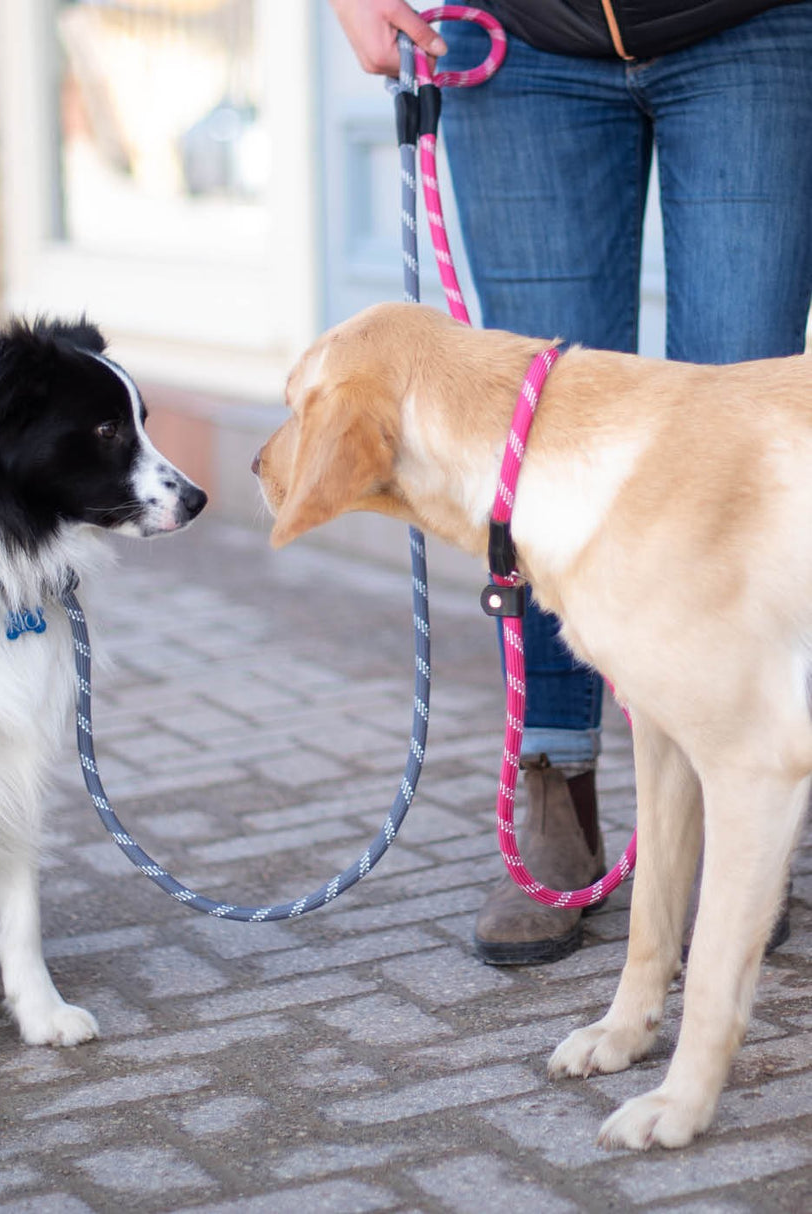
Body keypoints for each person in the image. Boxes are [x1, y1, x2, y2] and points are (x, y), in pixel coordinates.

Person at [330, 0, 812, 963]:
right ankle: (555, 767)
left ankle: (747, 790)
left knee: (739, 456)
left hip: (749, 26)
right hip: (523, 47)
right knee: (530, 451)